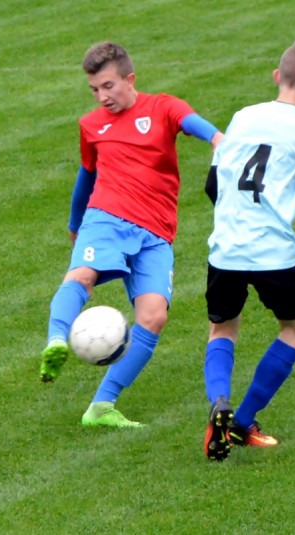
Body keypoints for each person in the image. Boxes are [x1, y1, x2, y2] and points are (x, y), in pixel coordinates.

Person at [40, 42, 224, 429]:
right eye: (94, 90)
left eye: (108, 86)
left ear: (130, 79)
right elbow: (87, 176)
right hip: (106, 218)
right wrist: (75, 223)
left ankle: (101, 407)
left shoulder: (162, 107)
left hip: (156, 231)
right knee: (82, 276)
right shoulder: (92, 125)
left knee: (154, 317)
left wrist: (216, 139)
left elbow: (191, 122)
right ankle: (57, 339)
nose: (101, 97)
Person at [201, 39, 295, 461]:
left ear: (277, 76)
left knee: (223, 329)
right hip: (276, 254)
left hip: (226, 249)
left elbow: (212, 187)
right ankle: (241, 422)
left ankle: (219, 403)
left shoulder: (243, 116)